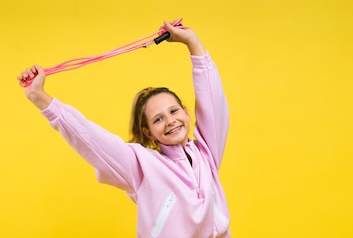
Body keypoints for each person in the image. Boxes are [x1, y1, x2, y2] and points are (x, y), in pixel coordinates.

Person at [18, 20, 231, 238]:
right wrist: (41, 99)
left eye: (174, 111)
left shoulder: (206, 155)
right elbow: (90, 139)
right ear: (147, 132)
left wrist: (192, 42)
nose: (170, 121)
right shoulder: (140, 164)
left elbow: (212, 101)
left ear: (186, 112)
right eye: (158, 119)